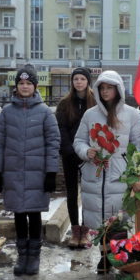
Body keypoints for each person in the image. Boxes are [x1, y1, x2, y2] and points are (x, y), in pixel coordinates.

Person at [0, 65, 60, 276]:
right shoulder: (6, 112)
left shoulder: (45, 113)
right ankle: (22, 256)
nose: (25, 86)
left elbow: (53, 143)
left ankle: (34, 257)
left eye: (28, 83)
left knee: (34, 214)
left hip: (37, 174)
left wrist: (51, 173)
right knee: (19, 215)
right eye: (21, 83)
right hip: (13, 173)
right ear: (16, 86)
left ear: (35, 86)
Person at [73, 70, 140, 273]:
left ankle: (120, 258)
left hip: (120, 174)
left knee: (119, 219)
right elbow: (78, 141)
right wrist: (87, 151)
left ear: (118, 89)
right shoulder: (90, 114)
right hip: (94, 174)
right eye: (102, 88)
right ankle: (104, 257)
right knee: (99, 219)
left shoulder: (131, 114)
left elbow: (138, 144)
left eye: (109, 88)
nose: (105, 92)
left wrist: (132, 166)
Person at [56, 67, 96, 249]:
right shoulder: (65, 103)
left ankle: (86, 231)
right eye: (76, 79)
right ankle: (75, 230)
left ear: (88, 81)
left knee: (88, 193)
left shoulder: (95, 101)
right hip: (70, 155)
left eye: (82, 79)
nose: (79, 82)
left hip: (90, 155)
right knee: (72, 193)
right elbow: (61, 128)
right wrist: (69, 150)